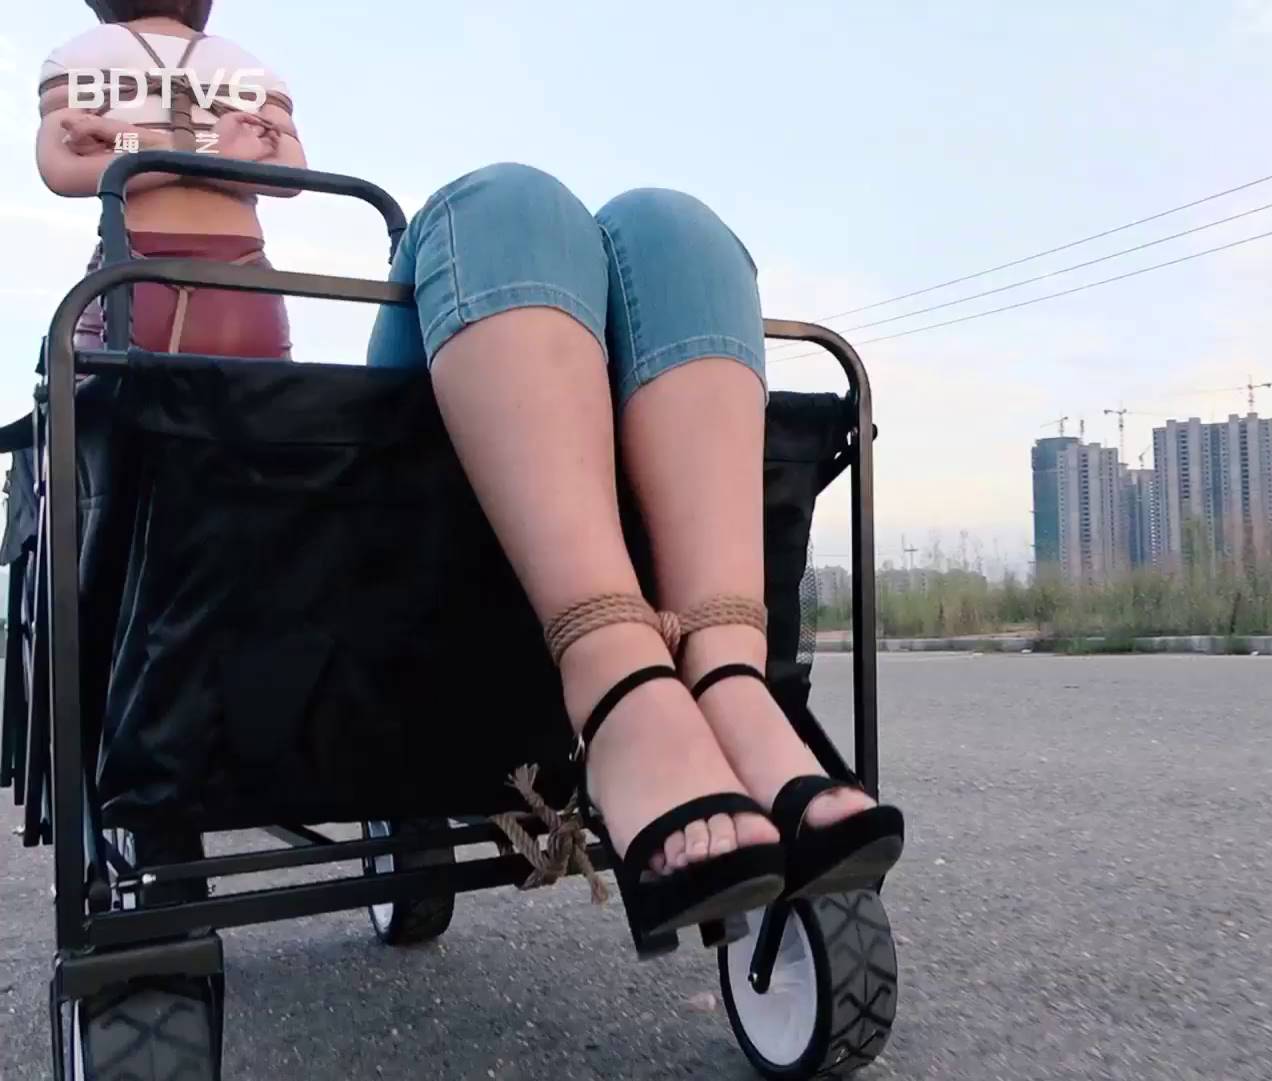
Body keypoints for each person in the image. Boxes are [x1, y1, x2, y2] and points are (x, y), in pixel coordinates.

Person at [365, 164, 905, 948]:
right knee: (508, 204)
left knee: (673, 226)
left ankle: (725, 673)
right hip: (401, 524)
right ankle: (614, 682)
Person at [36, 0, 305, 359]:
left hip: (131, 273)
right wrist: (211, 153)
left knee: (91, 392)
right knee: (256, 394)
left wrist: (143, 143)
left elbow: (60, 170)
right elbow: (292, 172)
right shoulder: (251, 67)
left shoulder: (77, 54)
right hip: (243, 279)